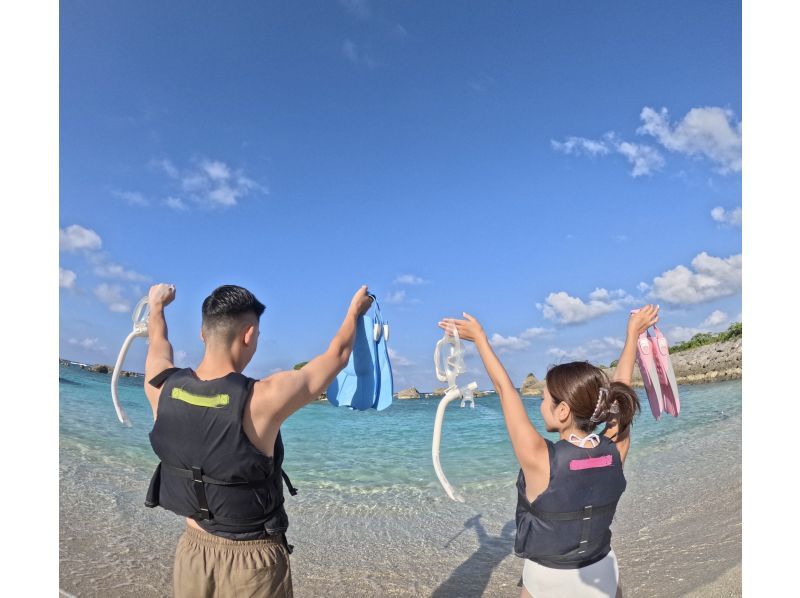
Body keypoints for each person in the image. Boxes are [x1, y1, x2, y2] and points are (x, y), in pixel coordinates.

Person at [143, 282, 374, 598]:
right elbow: (338, 355)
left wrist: (157, 305)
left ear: (202, 332)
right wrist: (354, 312)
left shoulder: (160, 386)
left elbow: (158, 343)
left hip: (192, 551)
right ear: (249, 334)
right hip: (252, 563)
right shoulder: (263, 398)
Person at [438, 305, 659, 598]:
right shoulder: (615, 449)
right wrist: (632, 334)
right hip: (603, 572)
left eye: (544, 400)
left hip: (549, 582)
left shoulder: (541, 460)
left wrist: (481, 340)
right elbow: (620, 393)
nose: (541, 406)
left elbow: (506, 391)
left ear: (563, 411)